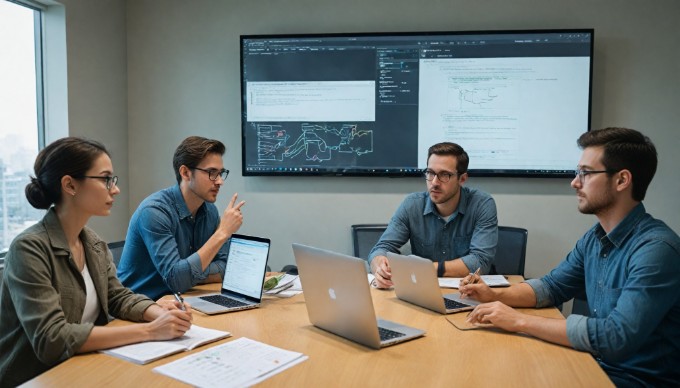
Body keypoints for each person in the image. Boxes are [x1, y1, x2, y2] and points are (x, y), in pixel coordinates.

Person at [460, 127, 680, 387]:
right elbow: (552, 287)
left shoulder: (657, 249)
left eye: (585, 173)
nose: (574, 182)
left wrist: (518, 320)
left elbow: (615, 337)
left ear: (622, 180)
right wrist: (495, 296)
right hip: (595, 364)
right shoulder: (594, 238)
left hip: (635, 380)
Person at [0, 137, 192, 387]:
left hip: (83, 367)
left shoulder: (93, 243)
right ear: (69, 185)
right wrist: (151, 331)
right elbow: (51, 339)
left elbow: (118, 297)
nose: (115, 189)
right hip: (36, 378)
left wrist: (160, 314)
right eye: (105, 179)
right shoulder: (28, 248)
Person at [117, 136, 244, 300]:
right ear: (185, 172)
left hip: (181, 301)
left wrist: (190, 273)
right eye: (212, 173)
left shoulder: (209, 211)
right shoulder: (154, 212)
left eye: (221, 173)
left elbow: (226, 268)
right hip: (140, 309)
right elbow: (177, 280)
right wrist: (222, 233)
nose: (220, 181)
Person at [369, 142, 498, 289]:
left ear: (462, 179)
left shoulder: (481, 204)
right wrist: (380, 266)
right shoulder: (412, 205)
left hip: (471, 292)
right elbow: (381, 248)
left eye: (445, 175)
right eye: (430, 173)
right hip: (424, 290)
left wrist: (425, 269)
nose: (434, 183)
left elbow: (480, 262)